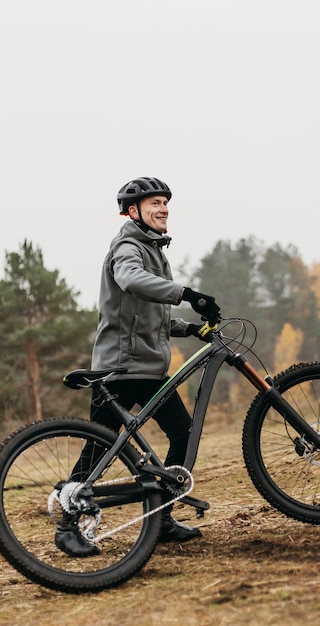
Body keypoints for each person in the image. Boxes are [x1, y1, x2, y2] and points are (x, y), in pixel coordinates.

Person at [55, 176, 221, 557]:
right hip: (120, 371)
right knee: (98, 452)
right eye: (154, 203)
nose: (163, 208)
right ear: (134, 211)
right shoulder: (128, 246)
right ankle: (67, 527)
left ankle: (161, 518)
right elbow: (130, 280)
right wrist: (187, 293)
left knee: (183, 434)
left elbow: (150, 318)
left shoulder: (154, 251)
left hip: (149, 373)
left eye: (165, 202)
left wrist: (190, 328)